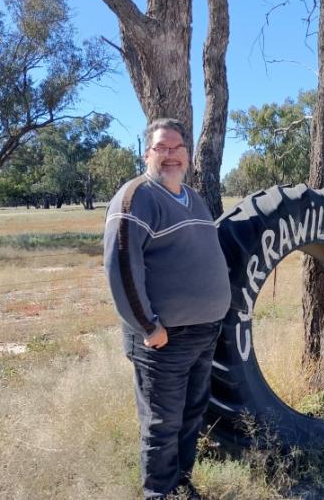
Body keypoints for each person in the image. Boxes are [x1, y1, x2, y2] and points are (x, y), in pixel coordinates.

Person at [103, 118, 231, 499]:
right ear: (147, 154)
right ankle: (159, 493)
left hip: (204, 333)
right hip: (163, 340)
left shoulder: (193, 198)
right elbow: (122, 267)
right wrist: (149, 326)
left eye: (177, 147)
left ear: (187, 155)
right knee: (162, 424)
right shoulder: (136, 197)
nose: (171, 154)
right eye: (162, 147)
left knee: (191, 418)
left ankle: (180, 486)